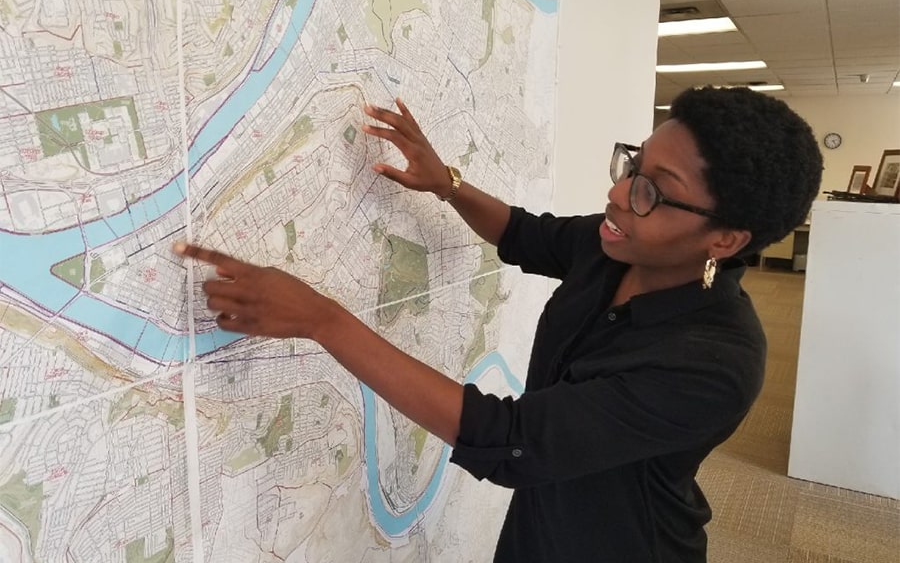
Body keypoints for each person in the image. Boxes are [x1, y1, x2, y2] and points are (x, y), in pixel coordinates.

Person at [175, 86, 822, 562]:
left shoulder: (714, 361)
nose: (620, 194)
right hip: (542, 523)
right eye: (634, 165)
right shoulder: (614, 243)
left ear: (726, 239)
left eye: (654, 190)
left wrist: (323, 320)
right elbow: (524, 234)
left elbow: (512, 440)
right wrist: (448, 184)